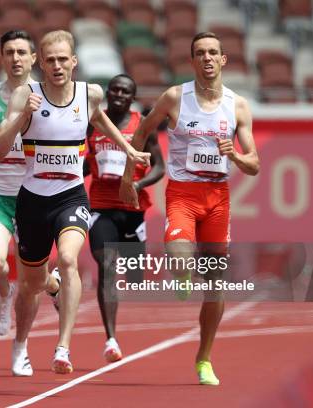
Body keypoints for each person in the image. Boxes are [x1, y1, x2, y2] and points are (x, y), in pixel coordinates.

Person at [0, 30, 150, 376]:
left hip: (72, 197)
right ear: (41, 63)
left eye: (63, 59)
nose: (57, 65)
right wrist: (22, 119)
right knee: (32, 284)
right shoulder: (25, 94)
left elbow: (100, 120)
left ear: (74, 62)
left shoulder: (89, 93)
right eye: (50, 60)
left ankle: (63, 347)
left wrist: (129, 149)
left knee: (67, 258)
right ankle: (20, 343)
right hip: (32, 199)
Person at [120, 32, 260, 385]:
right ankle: (182, 273)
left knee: (215, 286)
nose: (208, 58)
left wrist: (235, 156)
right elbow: (141, 135)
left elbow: (255, 164)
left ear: (223, 60)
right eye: (200, 53)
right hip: (183, 193)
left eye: (214, 53)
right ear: (192, 61)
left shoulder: (238, 105)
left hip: (218, 198)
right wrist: (127, 177)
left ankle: (204, 358)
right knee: (180, 259)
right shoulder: (174, 98)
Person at [85, 74, 165, 363]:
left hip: (133, 209)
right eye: (115, 89)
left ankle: (112, 333)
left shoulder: (142, 125)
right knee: (106, 264)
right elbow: (82, 163)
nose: (119, 94)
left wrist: (137, 185)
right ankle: (111, 339)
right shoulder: (93, 123)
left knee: (133, 276)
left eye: (125, 91)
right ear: (108, 93)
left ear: (132, 97)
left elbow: (159, 167)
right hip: (101, 206)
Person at [0, 30, 36, 336]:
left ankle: (55, 288)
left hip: (34, 197)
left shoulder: (46, 94)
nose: (15, 58)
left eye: (21, 52)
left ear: (32, 58)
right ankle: (3, 296)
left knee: (39, 277)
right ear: (1, 57)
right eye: (9, 52)